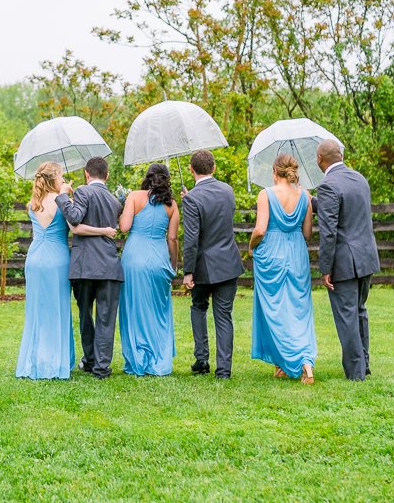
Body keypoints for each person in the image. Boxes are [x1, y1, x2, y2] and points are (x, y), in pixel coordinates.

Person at [15, 162, 116, 380]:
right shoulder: (62, 202)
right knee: (58, 308)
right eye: (60, 176)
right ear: (54, 179)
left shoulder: (33, 202)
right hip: (56, 257)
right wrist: (105, 231)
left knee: (36, 310)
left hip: (35, 257)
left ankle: (33, 360)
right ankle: (54, 361)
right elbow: (76, 227)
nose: (63, 180)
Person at [314, 139, 380, 380]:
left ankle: (355, 372)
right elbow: (348, 210)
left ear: (320, 159)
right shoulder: (359, 179)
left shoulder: (328, 185)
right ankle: (364, 363)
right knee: (360, 311)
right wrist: (313, 202)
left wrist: (325, 268)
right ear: (340, 155)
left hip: (345, 261)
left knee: (347, 316)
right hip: (366, 256)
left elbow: (329, 231)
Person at [249, 154, 317, 384]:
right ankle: (300, 362)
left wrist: (250, 247)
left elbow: (260, 230)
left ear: (274, 171)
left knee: (275, 310)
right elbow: (308, 233)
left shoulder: (266, 194)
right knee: (299, 308)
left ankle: (289, 361)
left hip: (272, 254)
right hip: (297, 253)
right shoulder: (306, 195)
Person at [56, 156, 124, 380]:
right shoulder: (115, 201)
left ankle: (91, 360)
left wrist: (63, 195)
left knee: (85, 314)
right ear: (107, 175)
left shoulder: (83, 192)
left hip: (84, 265)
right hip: (109, 265)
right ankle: (101, 367)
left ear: (87, 174)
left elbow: (74, 219)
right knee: (106, 317)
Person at [181, 150, 244, 379]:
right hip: (228, 261)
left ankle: (202, 359)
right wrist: (191, 198)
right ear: (214, 168)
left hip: (203, 266)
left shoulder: (192, 199)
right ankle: (224, 370)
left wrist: (187, 272)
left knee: (198, 307)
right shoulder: (227, 191)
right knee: (223, 315)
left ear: (191, 169)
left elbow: (191, 239)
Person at [118, 163, 179, 377]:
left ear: (147, 177)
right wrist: (174, 264)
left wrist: (121, 209)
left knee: (134, 307)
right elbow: (172, 238)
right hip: (159, 259)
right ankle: (158, 360)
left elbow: (124, 227)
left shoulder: (134, 197)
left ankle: (138, 359)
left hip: (134, 258)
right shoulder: (172, 205)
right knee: (158, 310)